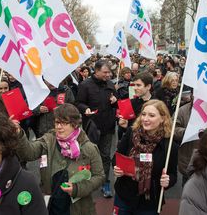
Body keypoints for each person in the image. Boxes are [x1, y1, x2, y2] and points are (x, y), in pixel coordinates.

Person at [16, 104, 104, 215]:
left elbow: (99, 177)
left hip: (78, 208)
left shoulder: (88, 148)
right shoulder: (49, 140)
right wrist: (18, 134)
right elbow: (28, 153)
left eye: (64, 123)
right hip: (51, 205)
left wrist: (78, 188)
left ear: (75, 124)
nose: (59, 127)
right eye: (57, 122)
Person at [113, 100, 178, 214]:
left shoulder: (169, 145)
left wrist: (168, 181)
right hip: (124, 195)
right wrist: (117, 168)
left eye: (151, 115)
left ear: (163, 118)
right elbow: (116, 158)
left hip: (149, 201)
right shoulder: (131, 133)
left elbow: (173, 174)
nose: (145, 119)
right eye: (143, 114)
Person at [76, 60, 117, 198]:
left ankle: (105, 183)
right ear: (97, 71)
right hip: (91, 127)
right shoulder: (85, 85)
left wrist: (115, 101)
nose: (108, 75)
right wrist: (84, 109)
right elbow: (78, 103)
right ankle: (85, 182)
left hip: (108, 127)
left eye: (109, 72)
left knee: (105, 156)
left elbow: (116, 103)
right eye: (105, 72)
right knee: (88, 155)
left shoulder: (111, 85)